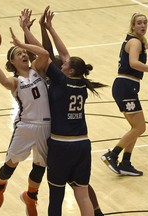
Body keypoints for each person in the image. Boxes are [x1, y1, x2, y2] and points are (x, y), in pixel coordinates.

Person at [19, 8, 106, 216]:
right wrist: (48, 27)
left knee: (56, 197)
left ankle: (30, 196)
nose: (63, 61)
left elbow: (43, 53)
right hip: (83, 143)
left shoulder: (59, 80)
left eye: (65, 64)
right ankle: (31, 196)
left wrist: (24, 31)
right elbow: (63, 55)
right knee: (82, 193)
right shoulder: (82, 84)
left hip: (59, 143)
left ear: (69, 70)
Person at [0, 24, 51, 216]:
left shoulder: (38, 70)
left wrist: (23, 39)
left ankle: (31, 197)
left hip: (46, 126)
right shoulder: (16, 81)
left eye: (24, 52)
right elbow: (2, 81)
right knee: (10, 165)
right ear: (12, 61)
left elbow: (44, 54)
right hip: (25, 127)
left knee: (40, 166)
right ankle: (0, 186)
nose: (23, 54)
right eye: (18, 53)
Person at [101, 13, 148, 176]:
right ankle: (113, 155)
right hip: (126, 86)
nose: (143, 26)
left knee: (136, 128)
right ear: (133, 26)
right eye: (139, 23)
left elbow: (143, 47)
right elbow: (133, 63)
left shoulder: (136, 41)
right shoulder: (135, 42)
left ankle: (125, 163)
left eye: (145, 23)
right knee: (140, 127)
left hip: (126, 86)